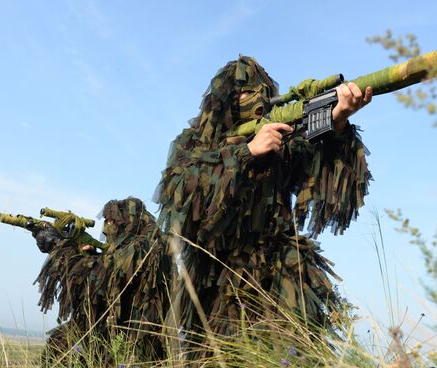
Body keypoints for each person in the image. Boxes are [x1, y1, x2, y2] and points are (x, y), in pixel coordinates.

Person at [154, 56, 372, 355]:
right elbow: (179, 195)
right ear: (224, 99)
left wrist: (337, 123)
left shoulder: (283, 139)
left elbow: (327, 182)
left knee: (291, 354)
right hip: (216, 277)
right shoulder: (193, 143)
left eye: (262, 92)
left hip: (281, 269)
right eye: (244, 92)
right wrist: (246, 153)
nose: (256, 99)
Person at [32, 197, 171, 363]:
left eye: (114, 222)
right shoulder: (149, 241)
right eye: (107, 221)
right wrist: (92, 256)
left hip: (130, 341)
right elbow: (111, 273)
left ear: (129, 222)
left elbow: (105, 274)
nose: (108, 227)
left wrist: (58, 245)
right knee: (61, 343)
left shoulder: (144, 245)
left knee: (65, 347)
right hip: (121, 334)